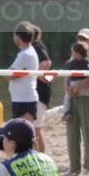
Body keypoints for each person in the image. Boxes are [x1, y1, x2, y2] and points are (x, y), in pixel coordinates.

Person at [64, 28, 89, 176]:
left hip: (87, 98)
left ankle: (88, 166)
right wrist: (68, 89)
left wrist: (78, 87)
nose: (81, 40)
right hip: (73, 98)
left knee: (88, 132)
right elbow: (67, 76)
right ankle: (74, 167)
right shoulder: (73, 57)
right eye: (79, 37)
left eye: (85, 38)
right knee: (71, 133)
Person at [61, 42, 89, 123]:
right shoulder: (87, 63)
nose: (72, 54)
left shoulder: (70, 63)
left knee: (67, 97)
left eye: (72, 52)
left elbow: (66, 75)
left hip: (73, 84)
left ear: (77, 53)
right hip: (85, 86)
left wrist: (68, 87)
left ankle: (66, 112)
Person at [7, 22, 40, 122]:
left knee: (22, 134)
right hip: (22, 99)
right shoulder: (28, 52)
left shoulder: (25, 55)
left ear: (18, 37)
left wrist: (13, 74)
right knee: (23, 134)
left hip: (24, 100)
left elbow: (8, 75)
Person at [30, 24, 53, 153]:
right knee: (34, 127)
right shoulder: (37, 45)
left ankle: (41, 156)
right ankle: (39, 154)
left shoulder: (36, 46)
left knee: (36, 128)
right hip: (41, 91)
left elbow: (47, 62)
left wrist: (35, 74)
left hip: (41, 91)